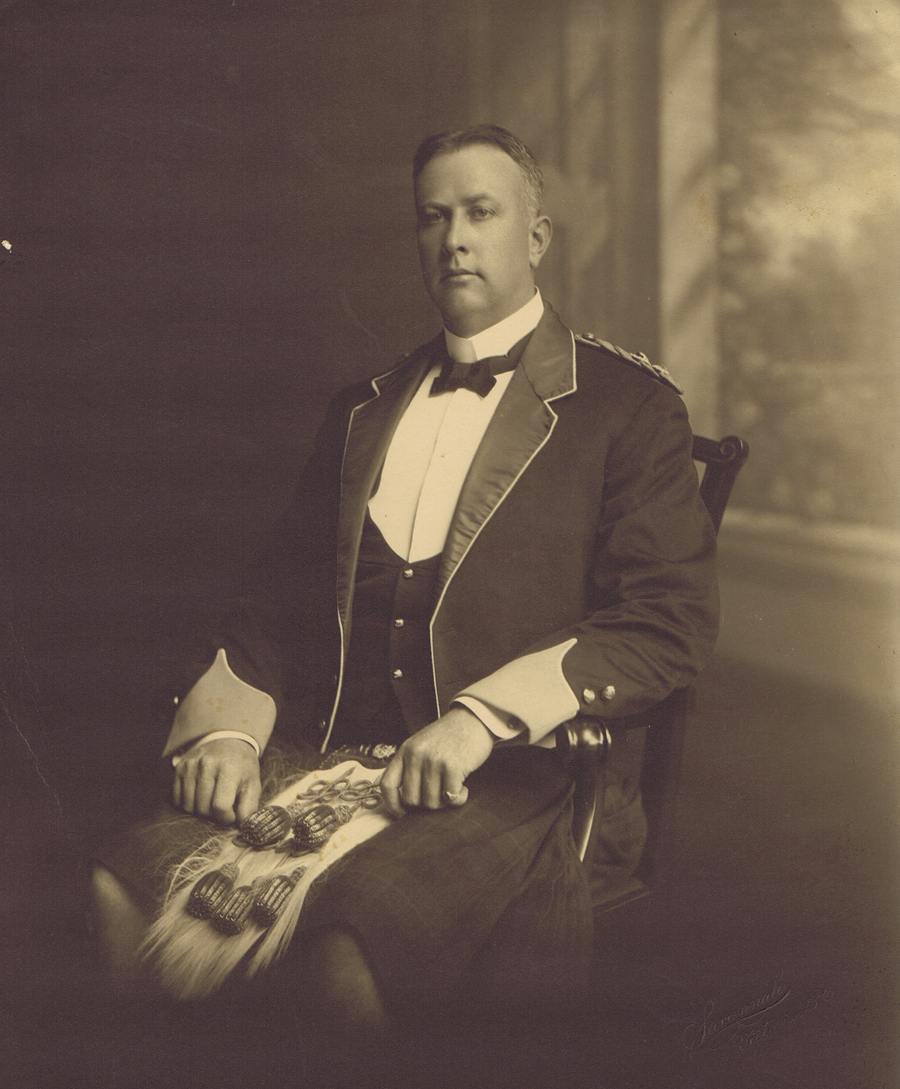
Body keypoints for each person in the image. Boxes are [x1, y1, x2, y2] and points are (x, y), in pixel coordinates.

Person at [91, 125, 718, 1037]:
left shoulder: (628, 407)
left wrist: (479, 720)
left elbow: (665, 621)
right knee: (118, 891)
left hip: (515, 778)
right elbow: (276, 597)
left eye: (481, 212)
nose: (454, 238)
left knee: (350, 948)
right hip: (329, 754)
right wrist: (227, 729)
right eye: (433, 217)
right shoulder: (362, 409)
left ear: (536, 236)